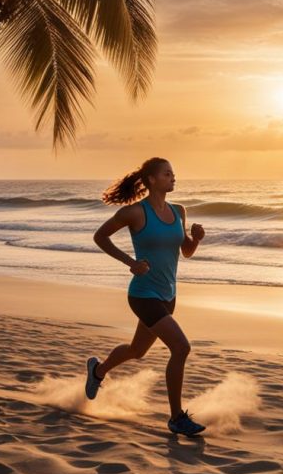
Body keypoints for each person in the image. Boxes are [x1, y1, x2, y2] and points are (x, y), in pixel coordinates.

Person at [87, 157, 207, 437]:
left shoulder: (179, 211)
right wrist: (130, 262)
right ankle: (176, 417)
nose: (173, 177)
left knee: (137, 351)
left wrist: (196, 239)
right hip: (143, 294)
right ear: (152, 180)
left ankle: (97, 371)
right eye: (167, 174)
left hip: (168, 294)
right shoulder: (135, 213)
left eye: (173, 173)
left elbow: (185, 251)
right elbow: (100, 237)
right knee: (181, 348)